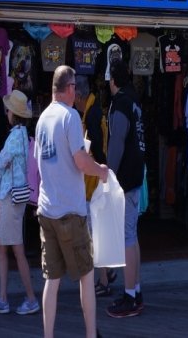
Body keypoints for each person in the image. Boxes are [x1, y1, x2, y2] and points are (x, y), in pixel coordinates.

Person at [34, 66, 108, 338]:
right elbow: (79, 160)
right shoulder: (71, 116)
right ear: (68, 88)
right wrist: (100, 170)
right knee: (86, 276)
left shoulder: (42, 119)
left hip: (47, 210)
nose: (77, 91)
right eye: (75, 86)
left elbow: (41, 161)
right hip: (70, 211)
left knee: (51, 281)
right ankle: (90, 334)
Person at [0, 89, 40, 315]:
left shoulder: (15, 136)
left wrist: (0, 162)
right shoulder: (21, 134)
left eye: (8, 109)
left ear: (13, 114)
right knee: (9, 247)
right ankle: (7, 297)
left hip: (10, 196)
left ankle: (25, 298)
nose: (6, 112)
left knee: (13, 249)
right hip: (14, 196)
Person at [105, 62, 147, 319]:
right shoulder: (135, 101)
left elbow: (117, 141)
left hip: (125, 178)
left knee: (127, 237)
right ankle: (136, 289)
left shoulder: (121, 103)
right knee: (132, 234)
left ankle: (131, 296)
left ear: (112, 81)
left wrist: (108, 174)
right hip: (136, 174)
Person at [74, 75, 115, 298]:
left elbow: (98, 150)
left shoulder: (91, 116)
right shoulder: (93, 110)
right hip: (95, 180)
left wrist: (98, 170)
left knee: (95, 234)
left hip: (94, 183)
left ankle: (103, 281)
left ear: (79, 96)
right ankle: (107, 273)